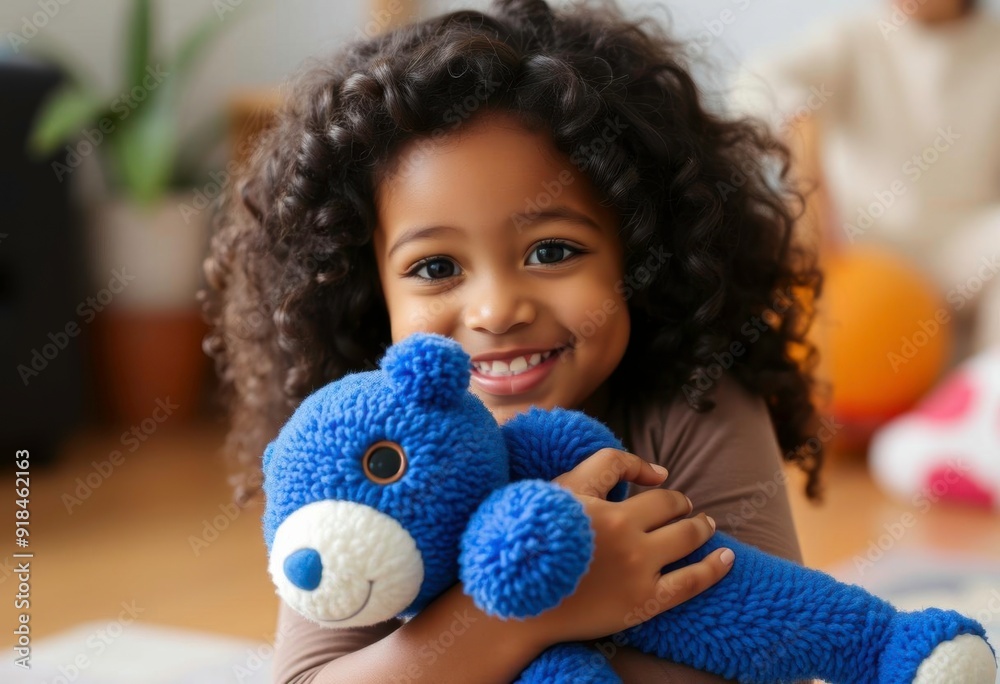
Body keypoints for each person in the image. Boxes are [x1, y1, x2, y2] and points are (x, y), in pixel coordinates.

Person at [201, 0, 825, 681]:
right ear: (367, 287)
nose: (496, 310)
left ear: (644, 254)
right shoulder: (363, 453)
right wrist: (533, 610)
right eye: (436, 268)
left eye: (552, 250)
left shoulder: (697, 409)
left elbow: (779, 653)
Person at [732, 0, 1000, 355]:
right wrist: (803, 138)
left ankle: (985, 394)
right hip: (855, 252)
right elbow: (757, 81)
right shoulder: (855, 37)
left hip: (959, 258)